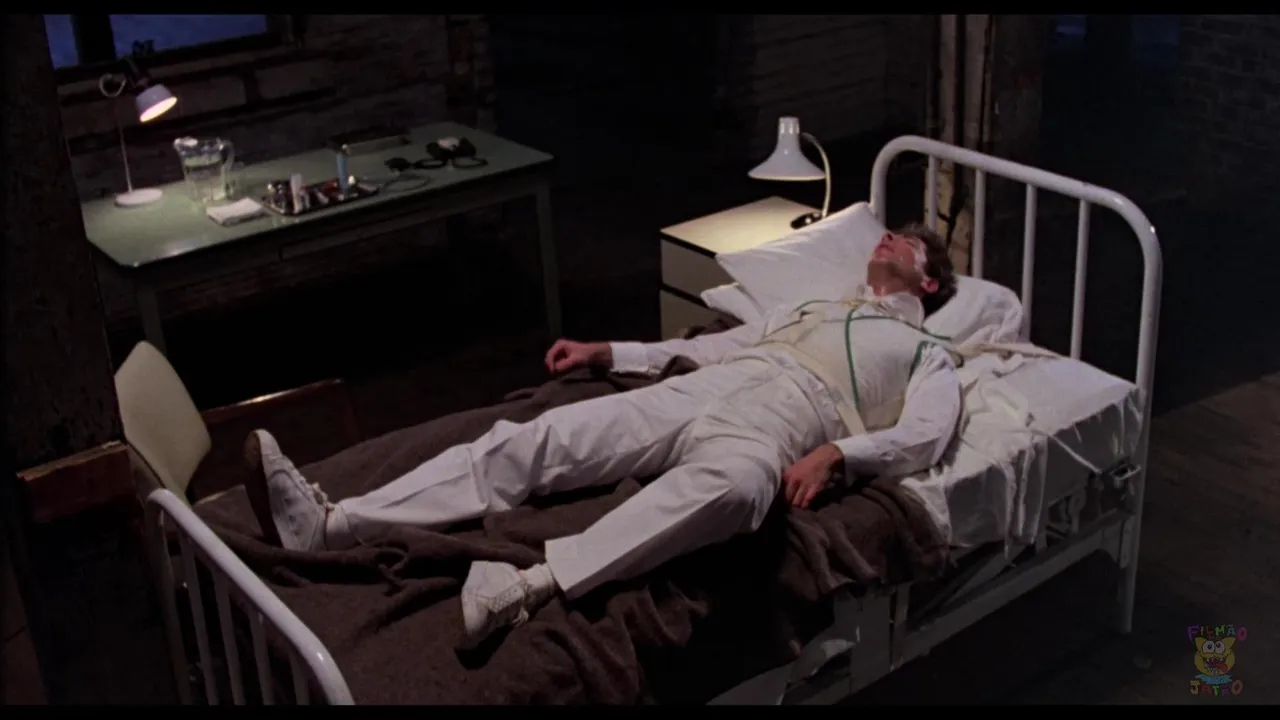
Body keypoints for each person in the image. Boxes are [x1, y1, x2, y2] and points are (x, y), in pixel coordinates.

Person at [244, 223, 962, 649]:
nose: (886, 238)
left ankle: (531, 583)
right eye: (887, 231)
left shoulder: (927, 351)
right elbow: (714, 347)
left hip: (783, 421)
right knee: (536, 439)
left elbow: (927, 434)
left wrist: (839, 453)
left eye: (904, 240)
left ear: (928, 282)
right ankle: (334, 525)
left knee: (743, 490)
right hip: (712, 384)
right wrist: (609, 352)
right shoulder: (808, 306)